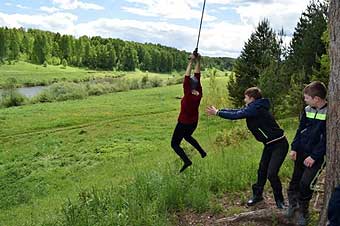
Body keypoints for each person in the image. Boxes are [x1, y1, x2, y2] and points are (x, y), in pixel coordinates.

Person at [206, 87, 288, 209]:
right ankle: (258, 195)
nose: (244, 100)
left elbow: (237, 115)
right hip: (269, 145)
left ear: (251, 98)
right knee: (262, 171)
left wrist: (218, 113)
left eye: (245, 97)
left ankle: (280, 201)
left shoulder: (256, 109)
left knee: (271, 173)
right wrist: (219, 111)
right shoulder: (253, 107)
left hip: (279, 144)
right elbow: (237, 111)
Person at [285, 81, 327, 226]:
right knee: (295, 180)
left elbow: (327, 140)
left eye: (307, 98)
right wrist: (294, 148)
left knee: (305, 183)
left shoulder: (330, 112)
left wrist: (314, 156)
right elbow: (300, 129)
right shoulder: (308, 109)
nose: (305, 100)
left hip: (315, 156)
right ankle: (293, 204)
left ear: (316, 99)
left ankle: (303, 211)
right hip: (301, 151)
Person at [171, 52, 206, 173]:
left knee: (174, 144)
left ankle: (187, 161)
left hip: (183, 123)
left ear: (189, 86)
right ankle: (202, 151)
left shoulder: (188, 94)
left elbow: (186, 77)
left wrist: (191, 61)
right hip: (193, 123)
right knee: (187, 136)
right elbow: (197, 75)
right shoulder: (199, 92)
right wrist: (198, 60)